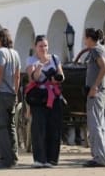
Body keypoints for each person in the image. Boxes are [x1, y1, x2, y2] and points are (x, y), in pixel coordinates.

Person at [25, 35, 64, 168]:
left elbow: (61, 76)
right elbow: (33, 79)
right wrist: (40, 68)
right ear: (35, 47)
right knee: (39, 127)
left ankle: (52, 159)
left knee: (54, 127)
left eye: (45, 45)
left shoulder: (54, 58)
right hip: (39, 98)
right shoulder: (31, 60)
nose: (43, 48)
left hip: (54, 97)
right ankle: (39, 159)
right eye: (40, 46)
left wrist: (56, 79)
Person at [0, 28, 21, 169]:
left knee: (0, 127)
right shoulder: (15, 53)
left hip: (1, 93)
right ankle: (14, 157)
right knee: (11, 127)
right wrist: (16, 93)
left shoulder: (0, 53)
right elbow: (18, 76)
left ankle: (5, 159)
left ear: (0, 38)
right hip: (11, 94)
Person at [83, 28, 105, 167]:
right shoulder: (102, 49)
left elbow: (104, 68)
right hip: (101, 91)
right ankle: (100, 155)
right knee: (100, 124)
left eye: (85, 38)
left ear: (89, 38)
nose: (84, 41)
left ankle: (99, 157)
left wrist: (94, 86)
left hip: (96, 92)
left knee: (95, 125)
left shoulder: (95, 50)